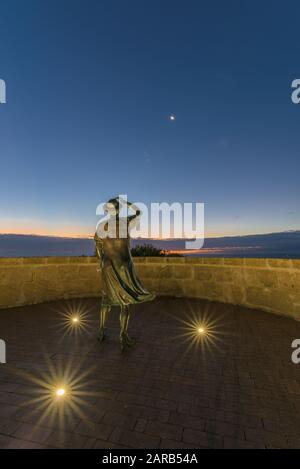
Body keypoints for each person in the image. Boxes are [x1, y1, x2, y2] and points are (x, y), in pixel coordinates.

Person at [94, 196, 155, 351]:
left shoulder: (102, 225)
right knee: (125, 301)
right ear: (119, 209)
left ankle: (101, 331)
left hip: (108, 266)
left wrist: (101, 264)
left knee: (106, 299)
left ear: (108, 210)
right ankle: (123, 334)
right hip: (124, 266)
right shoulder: (126, 222)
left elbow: (99, 250)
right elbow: (140, 212)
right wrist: (126, 203)